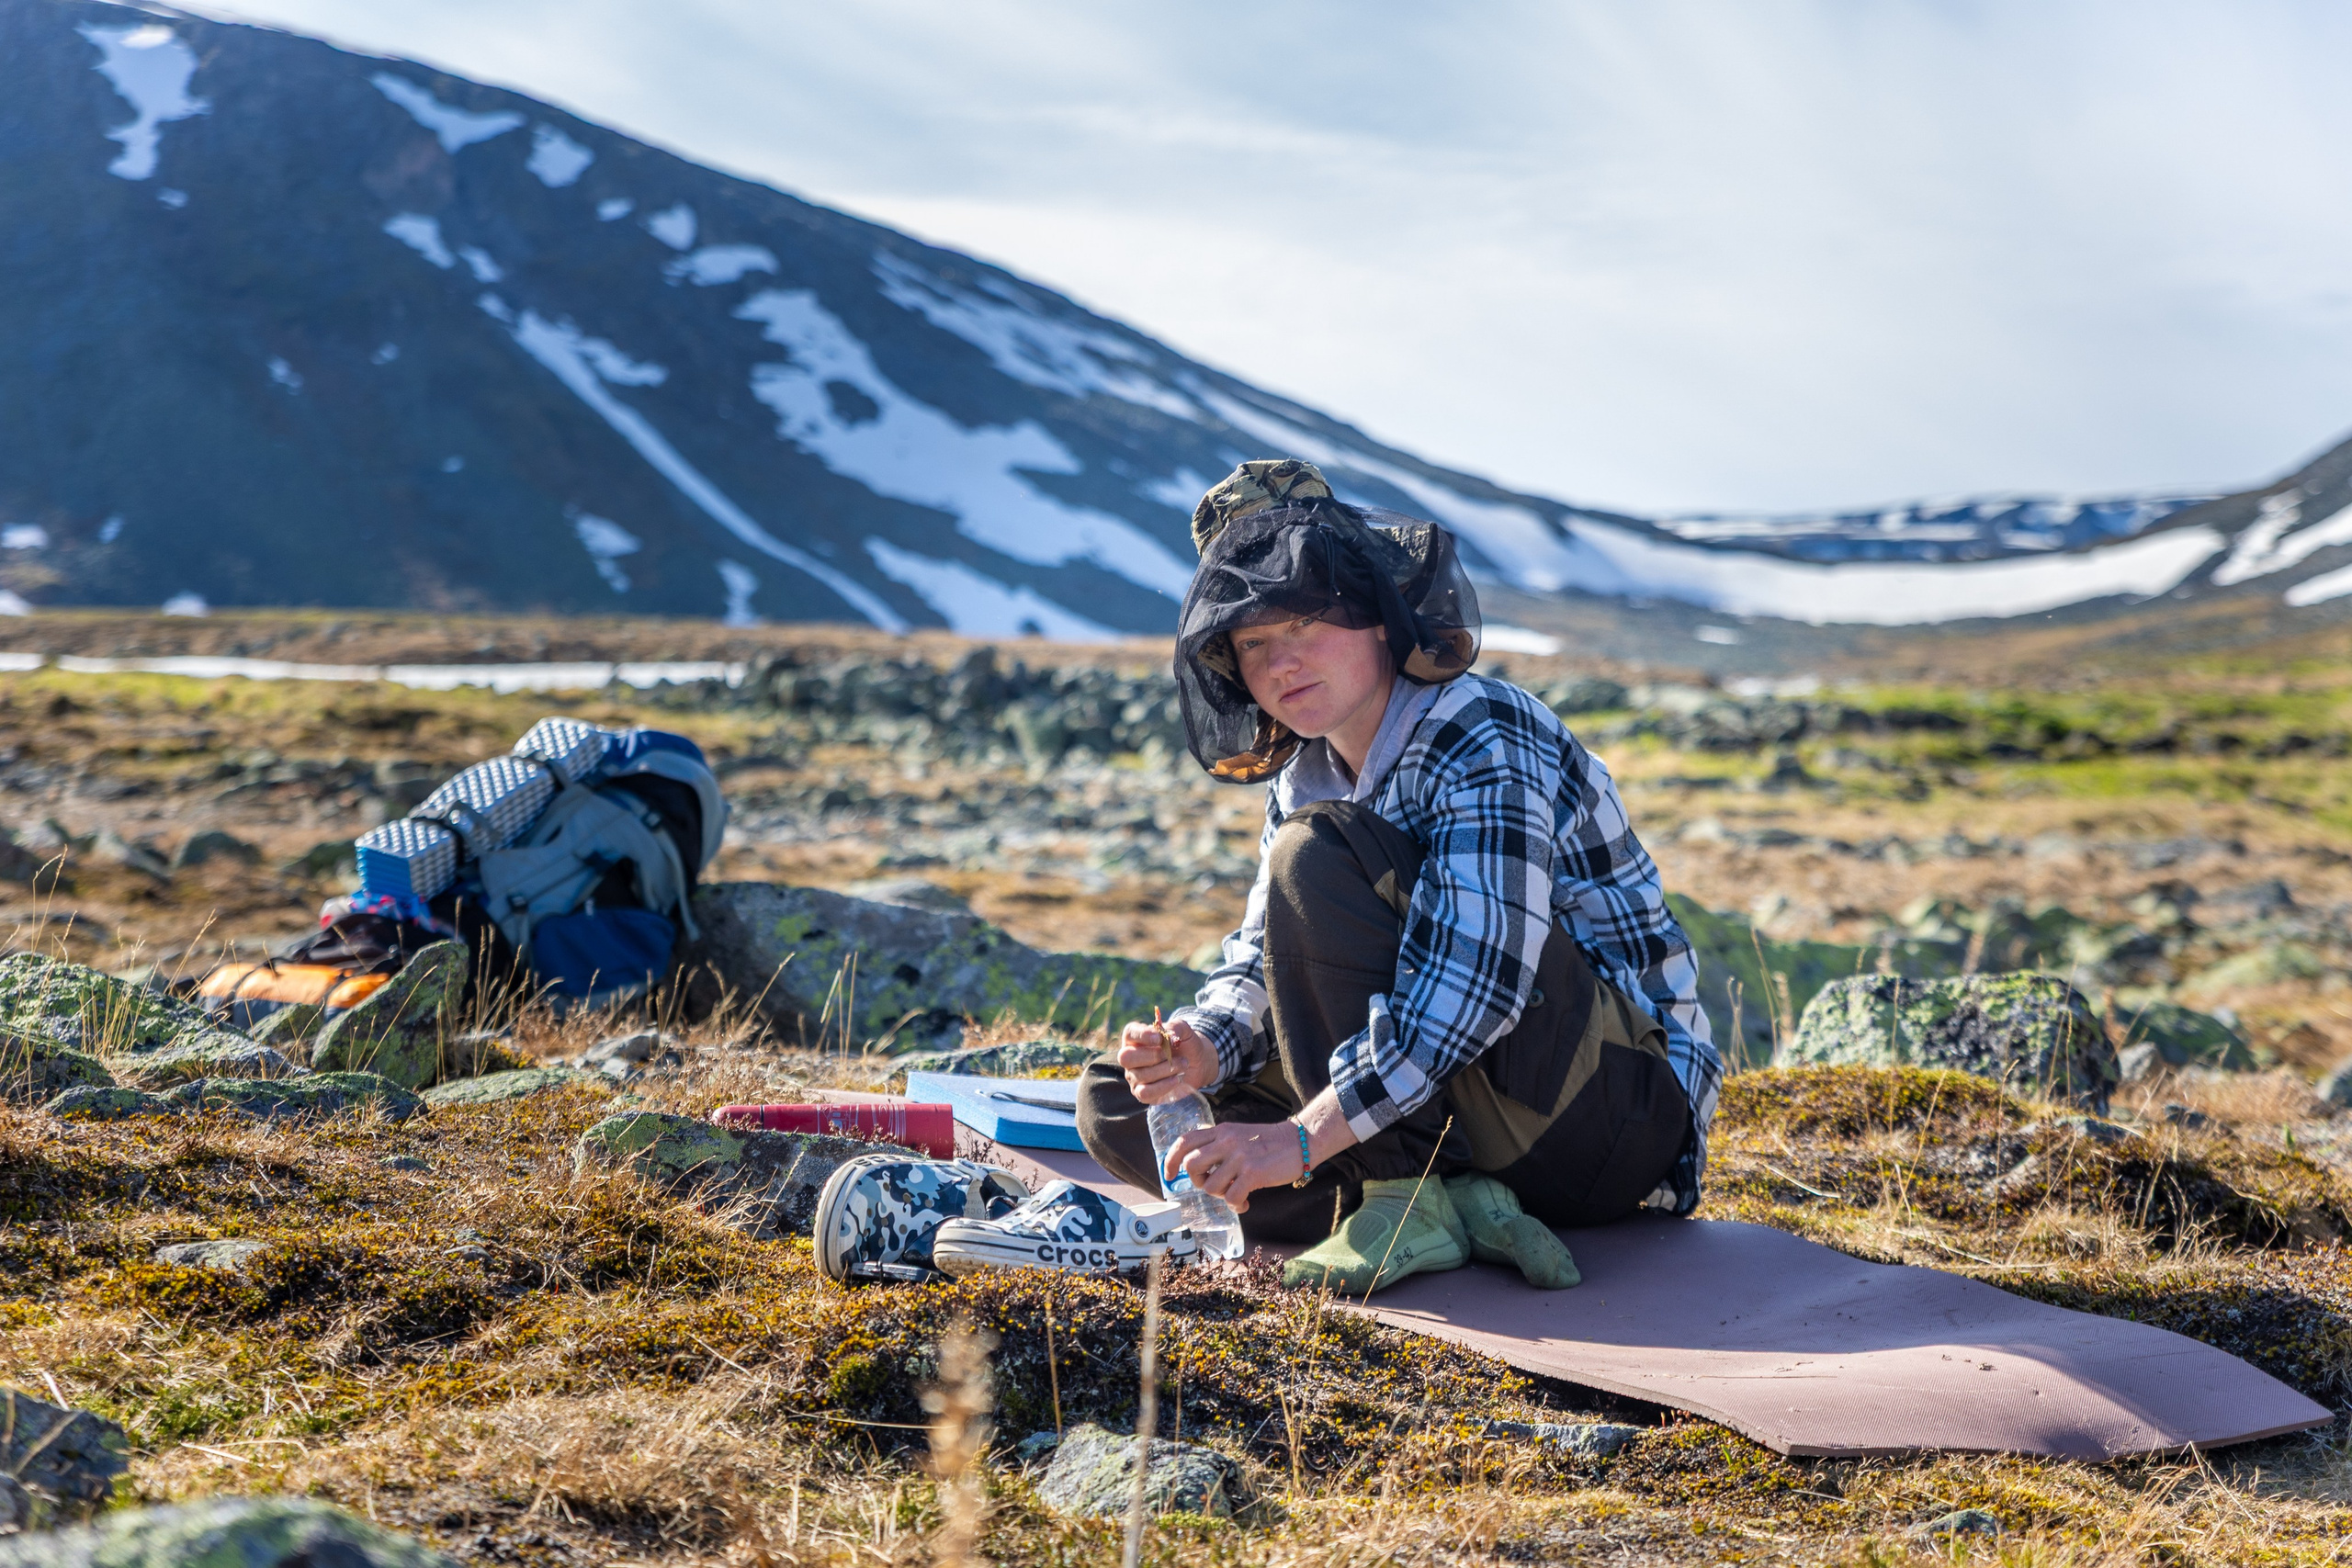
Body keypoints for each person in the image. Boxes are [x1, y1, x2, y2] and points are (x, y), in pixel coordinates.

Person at [1076, 458, 1722, 1296]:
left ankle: (1394, 1195)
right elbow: (1262, 955)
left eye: (1303, 622)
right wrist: (1202, 1048)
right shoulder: (1305, 771)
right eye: (1252, 643)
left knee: (1317, 855)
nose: (1280, 664)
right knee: (1119, 1107)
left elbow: (1481, 984)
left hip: (1606, 1121)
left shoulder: (1476, 726)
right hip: (1468, 1114)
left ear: (1378, 615)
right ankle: (1449, 1203)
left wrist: (1300, 1139)